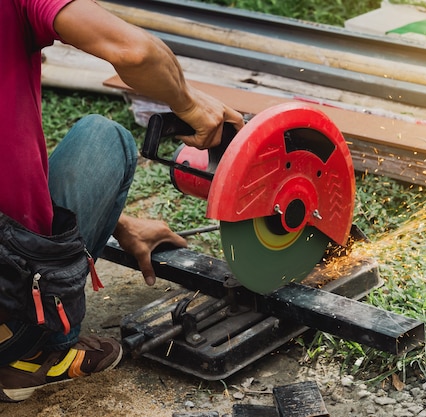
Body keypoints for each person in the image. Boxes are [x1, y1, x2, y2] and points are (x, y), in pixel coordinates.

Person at [0, 0, 244, 402]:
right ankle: (34, 355)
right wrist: (188, 103)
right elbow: (136, 52)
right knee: (103, 137)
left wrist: (119, 221)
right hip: (11, 331)